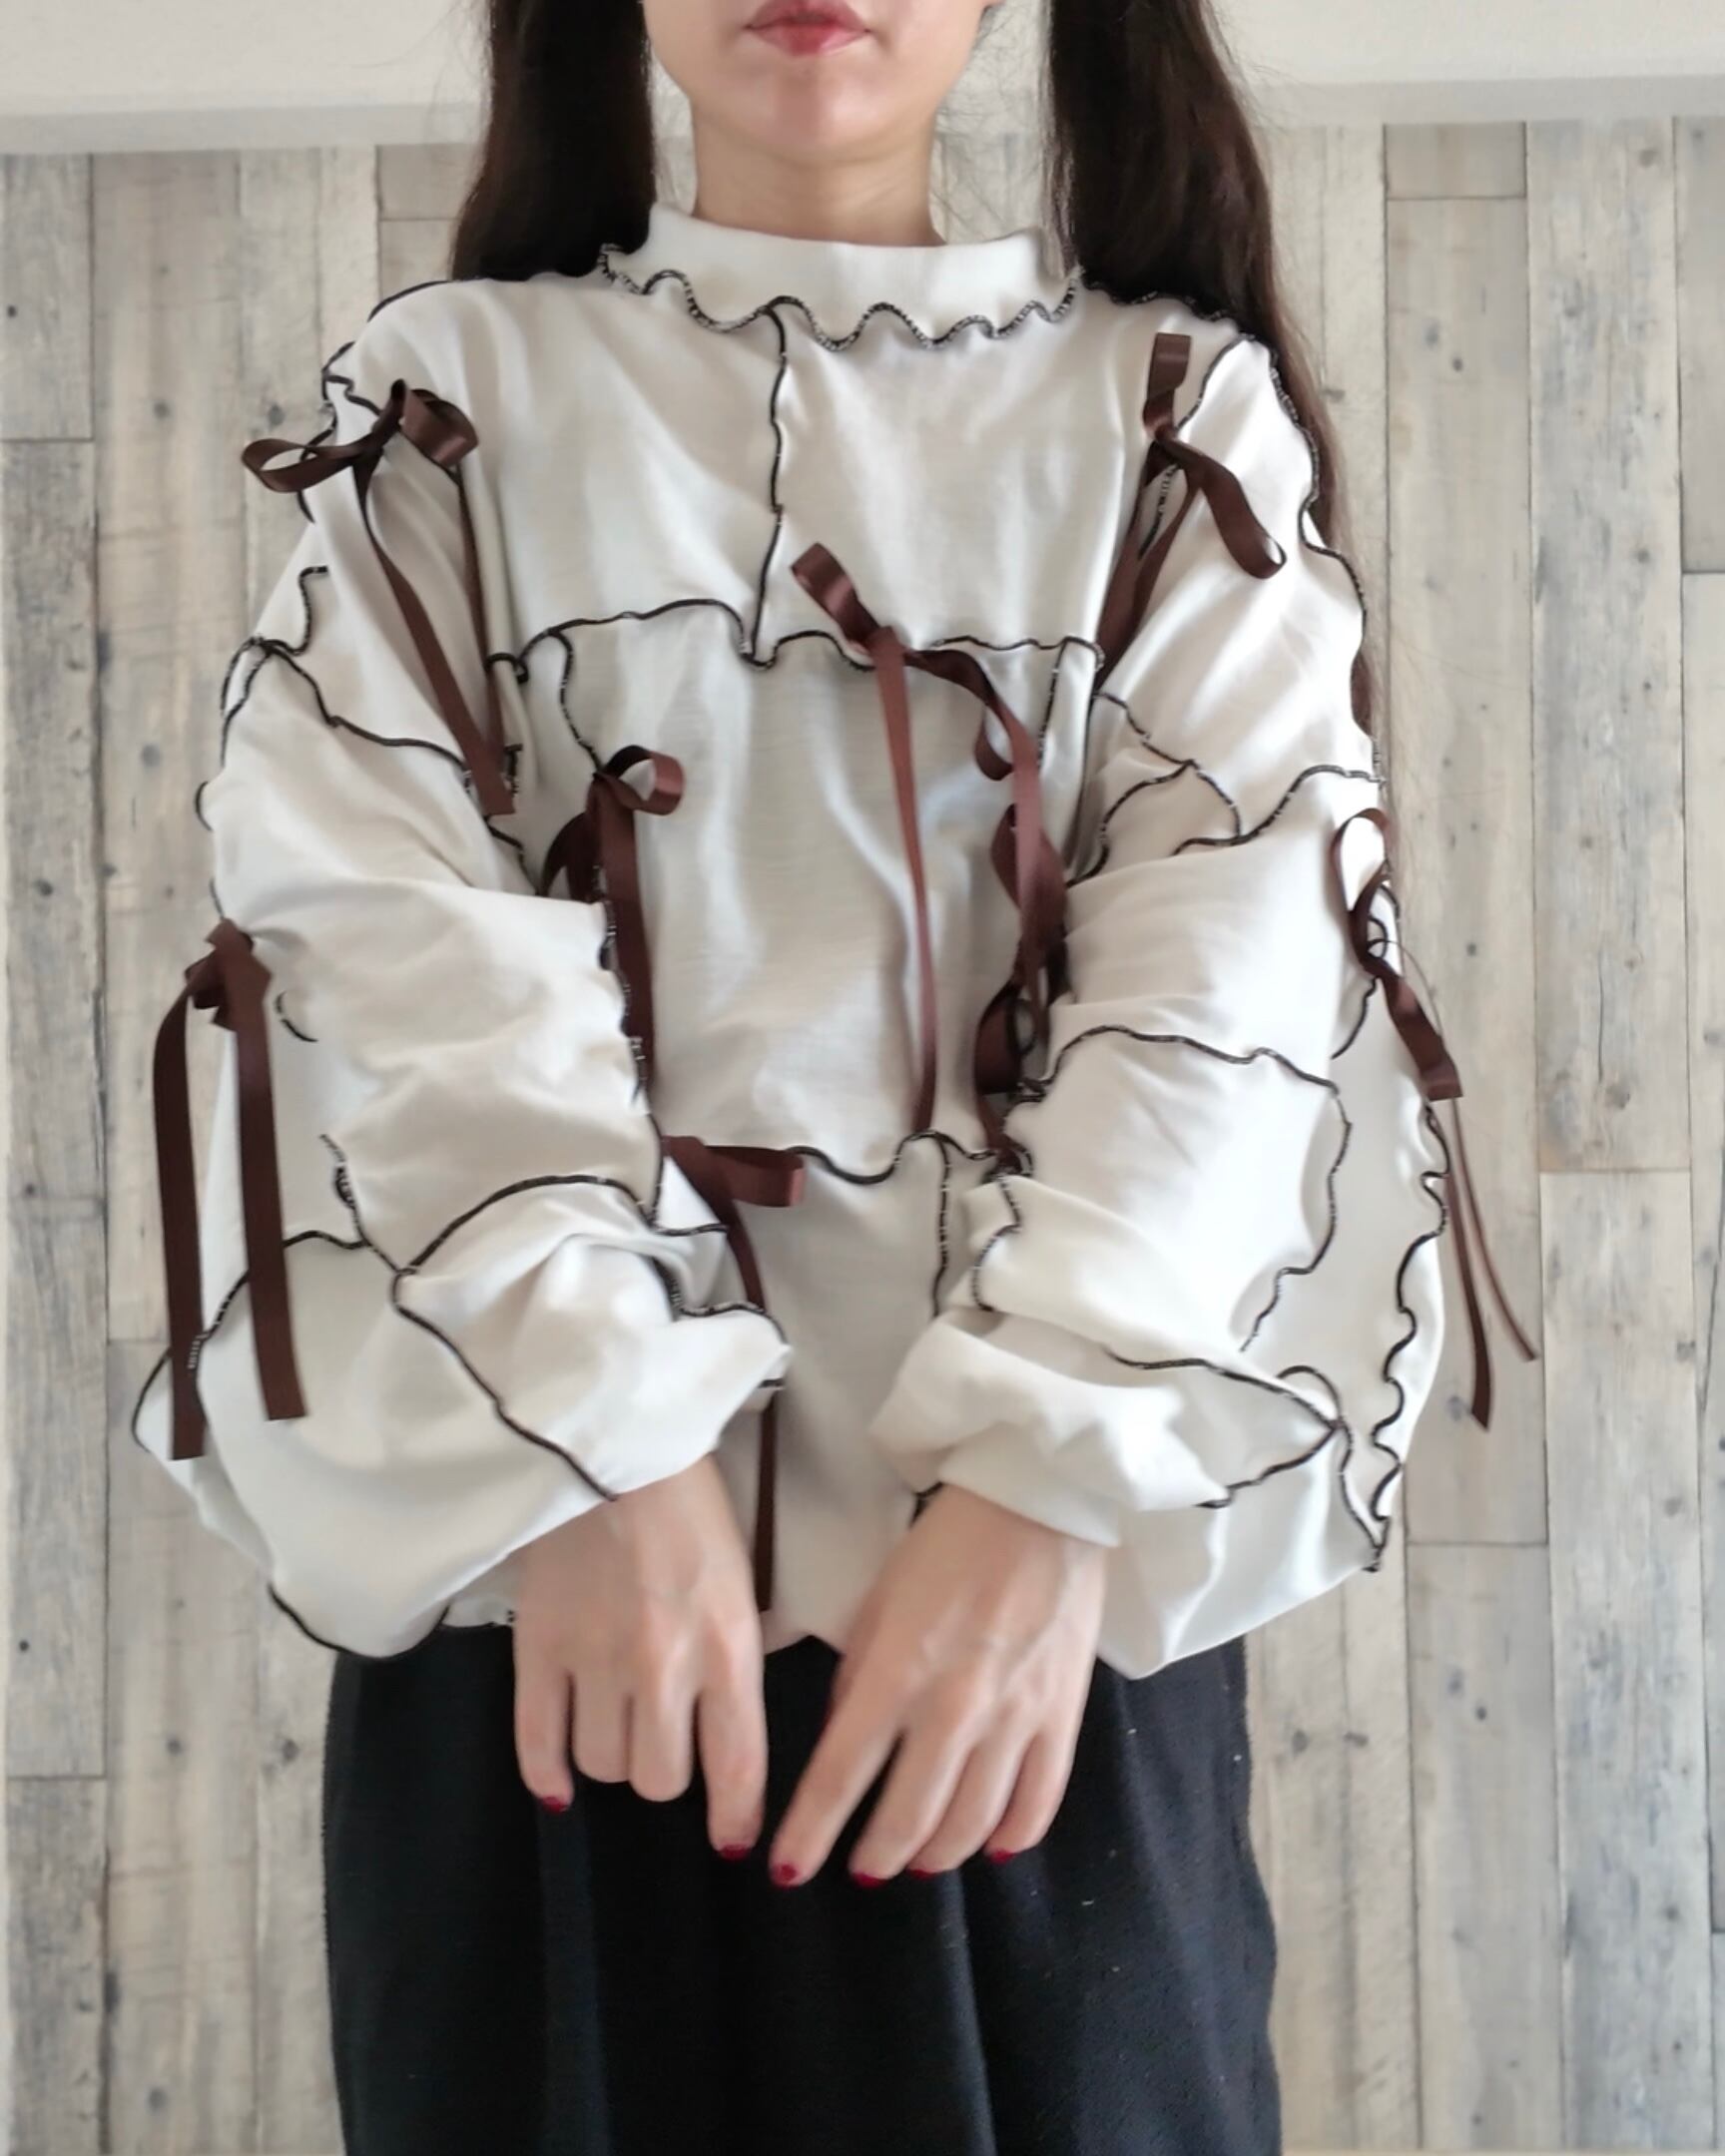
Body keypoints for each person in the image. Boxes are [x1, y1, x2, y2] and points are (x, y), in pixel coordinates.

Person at [134, 0, 1534, 2149]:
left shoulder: (1171, 417)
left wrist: (1042, 1487)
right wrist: (600, 1441)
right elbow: (371, 930)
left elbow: (1237, 963)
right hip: (550, 1613)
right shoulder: (454, 402)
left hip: (1030, 1655)